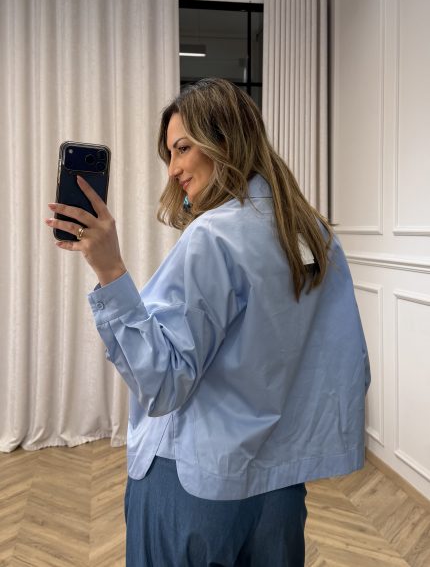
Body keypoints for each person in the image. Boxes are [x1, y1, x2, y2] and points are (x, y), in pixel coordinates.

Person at [45, 78, 371, 567]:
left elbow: (162, 384)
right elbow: (345, 364)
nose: (173, 169)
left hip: (195, 482)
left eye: (182, 148)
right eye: (169, 155)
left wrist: (109, 270)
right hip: (279, 489)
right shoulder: (315, 235)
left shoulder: (214, 237)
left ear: (225, 140)